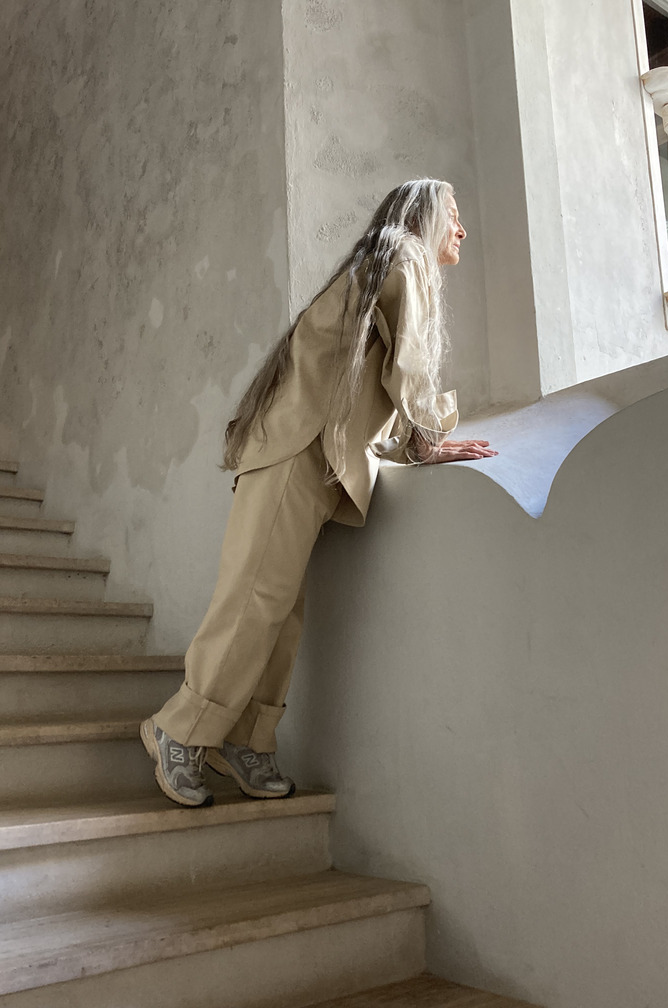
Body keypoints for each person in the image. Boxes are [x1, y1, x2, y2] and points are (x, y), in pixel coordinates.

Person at [140, 178, 497, 807]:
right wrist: (427, 441)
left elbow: (373, 388)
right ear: (423, 218)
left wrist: (412, 440)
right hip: (294, 451)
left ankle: (247, 739)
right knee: (255, 601)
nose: (462, 230)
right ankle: (179, 728)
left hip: (308, 456)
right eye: (454, 215)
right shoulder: (407, 256)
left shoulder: (384, 264)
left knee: (280, 611)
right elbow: (409, 366)